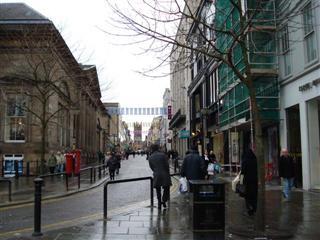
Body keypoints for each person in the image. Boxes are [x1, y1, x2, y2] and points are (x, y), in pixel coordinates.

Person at [148, 144, 172, 210]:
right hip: (165, 174)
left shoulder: (150, 157)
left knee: (158, 190)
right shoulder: (163, 155)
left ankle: (159, 204)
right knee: (166, 189)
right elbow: (167, 165)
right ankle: (163, 200)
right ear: (158, 148)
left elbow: (151, 167)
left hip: (156, 174)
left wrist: (156, 171)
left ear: (152, 149)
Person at [241, 148, 258, 216]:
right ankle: (254, 207)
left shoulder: (245, 161)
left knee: (247, 195)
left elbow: (243, 171)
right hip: (254, 180)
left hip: (247, 180)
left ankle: (249, 208)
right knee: (254, 195)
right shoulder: (255, 160)